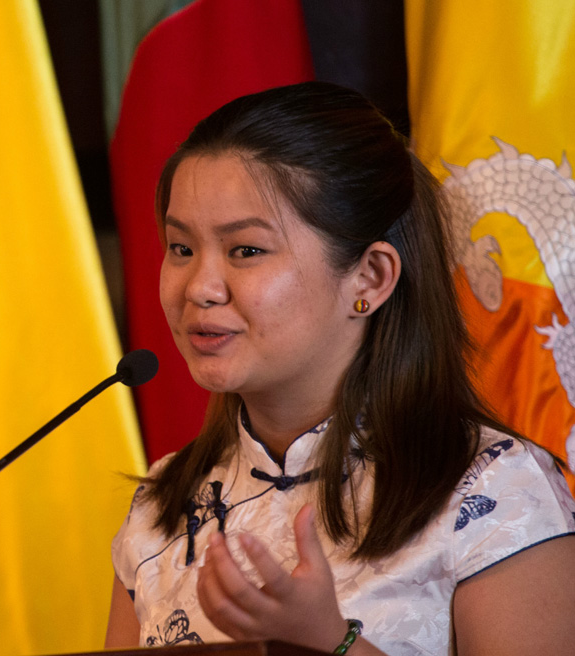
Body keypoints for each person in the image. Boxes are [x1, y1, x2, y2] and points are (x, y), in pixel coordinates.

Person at [104, 82, 575, 655]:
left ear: (370, 278)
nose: (199, 287)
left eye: (246, 250)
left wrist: (330, 644)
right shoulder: (161, 505)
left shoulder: (495, 488)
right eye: (181, 248)